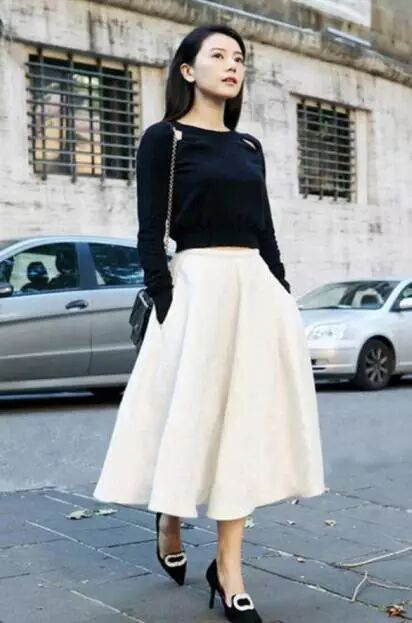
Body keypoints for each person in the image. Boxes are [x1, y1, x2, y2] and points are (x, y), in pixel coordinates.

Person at [94, 23, 325, 623]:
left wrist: (282, 295)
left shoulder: (249, 146)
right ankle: (169, 518)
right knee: (188, 416)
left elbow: (265, 230)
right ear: (188, 69)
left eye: (239, 58)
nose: (232, 65)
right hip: (195, 289)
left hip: (253, 289)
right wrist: (166, 298)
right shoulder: (164, 138)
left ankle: (228, 569)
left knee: (242, 424)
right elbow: (150, 230)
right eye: (218, 55)